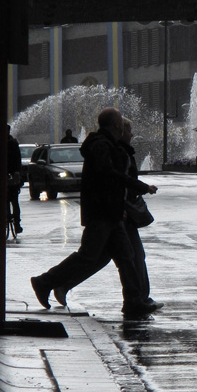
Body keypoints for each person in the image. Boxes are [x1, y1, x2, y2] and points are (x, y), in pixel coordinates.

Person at [31, 107, 160, 319]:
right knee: (89, 256)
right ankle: (44, 282)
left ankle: (134, 302)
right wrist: (140, 187)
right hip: (102, 213)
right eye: (120, 121)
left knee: (127, 257)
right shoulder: (101, 145)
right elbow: (109, 176)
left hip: (111, 213)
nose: (123, 126)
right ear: (115, 124)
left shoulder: (106, 144)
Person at [0, 123, 24, 240]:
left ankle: (12, 224)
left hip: (7, 175)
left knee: (6, 200)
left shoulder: (4, 144)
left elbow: (17, 160)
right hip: (4, 175)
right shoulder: (3, 144)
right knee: (9, 200)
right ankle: (12, 225)